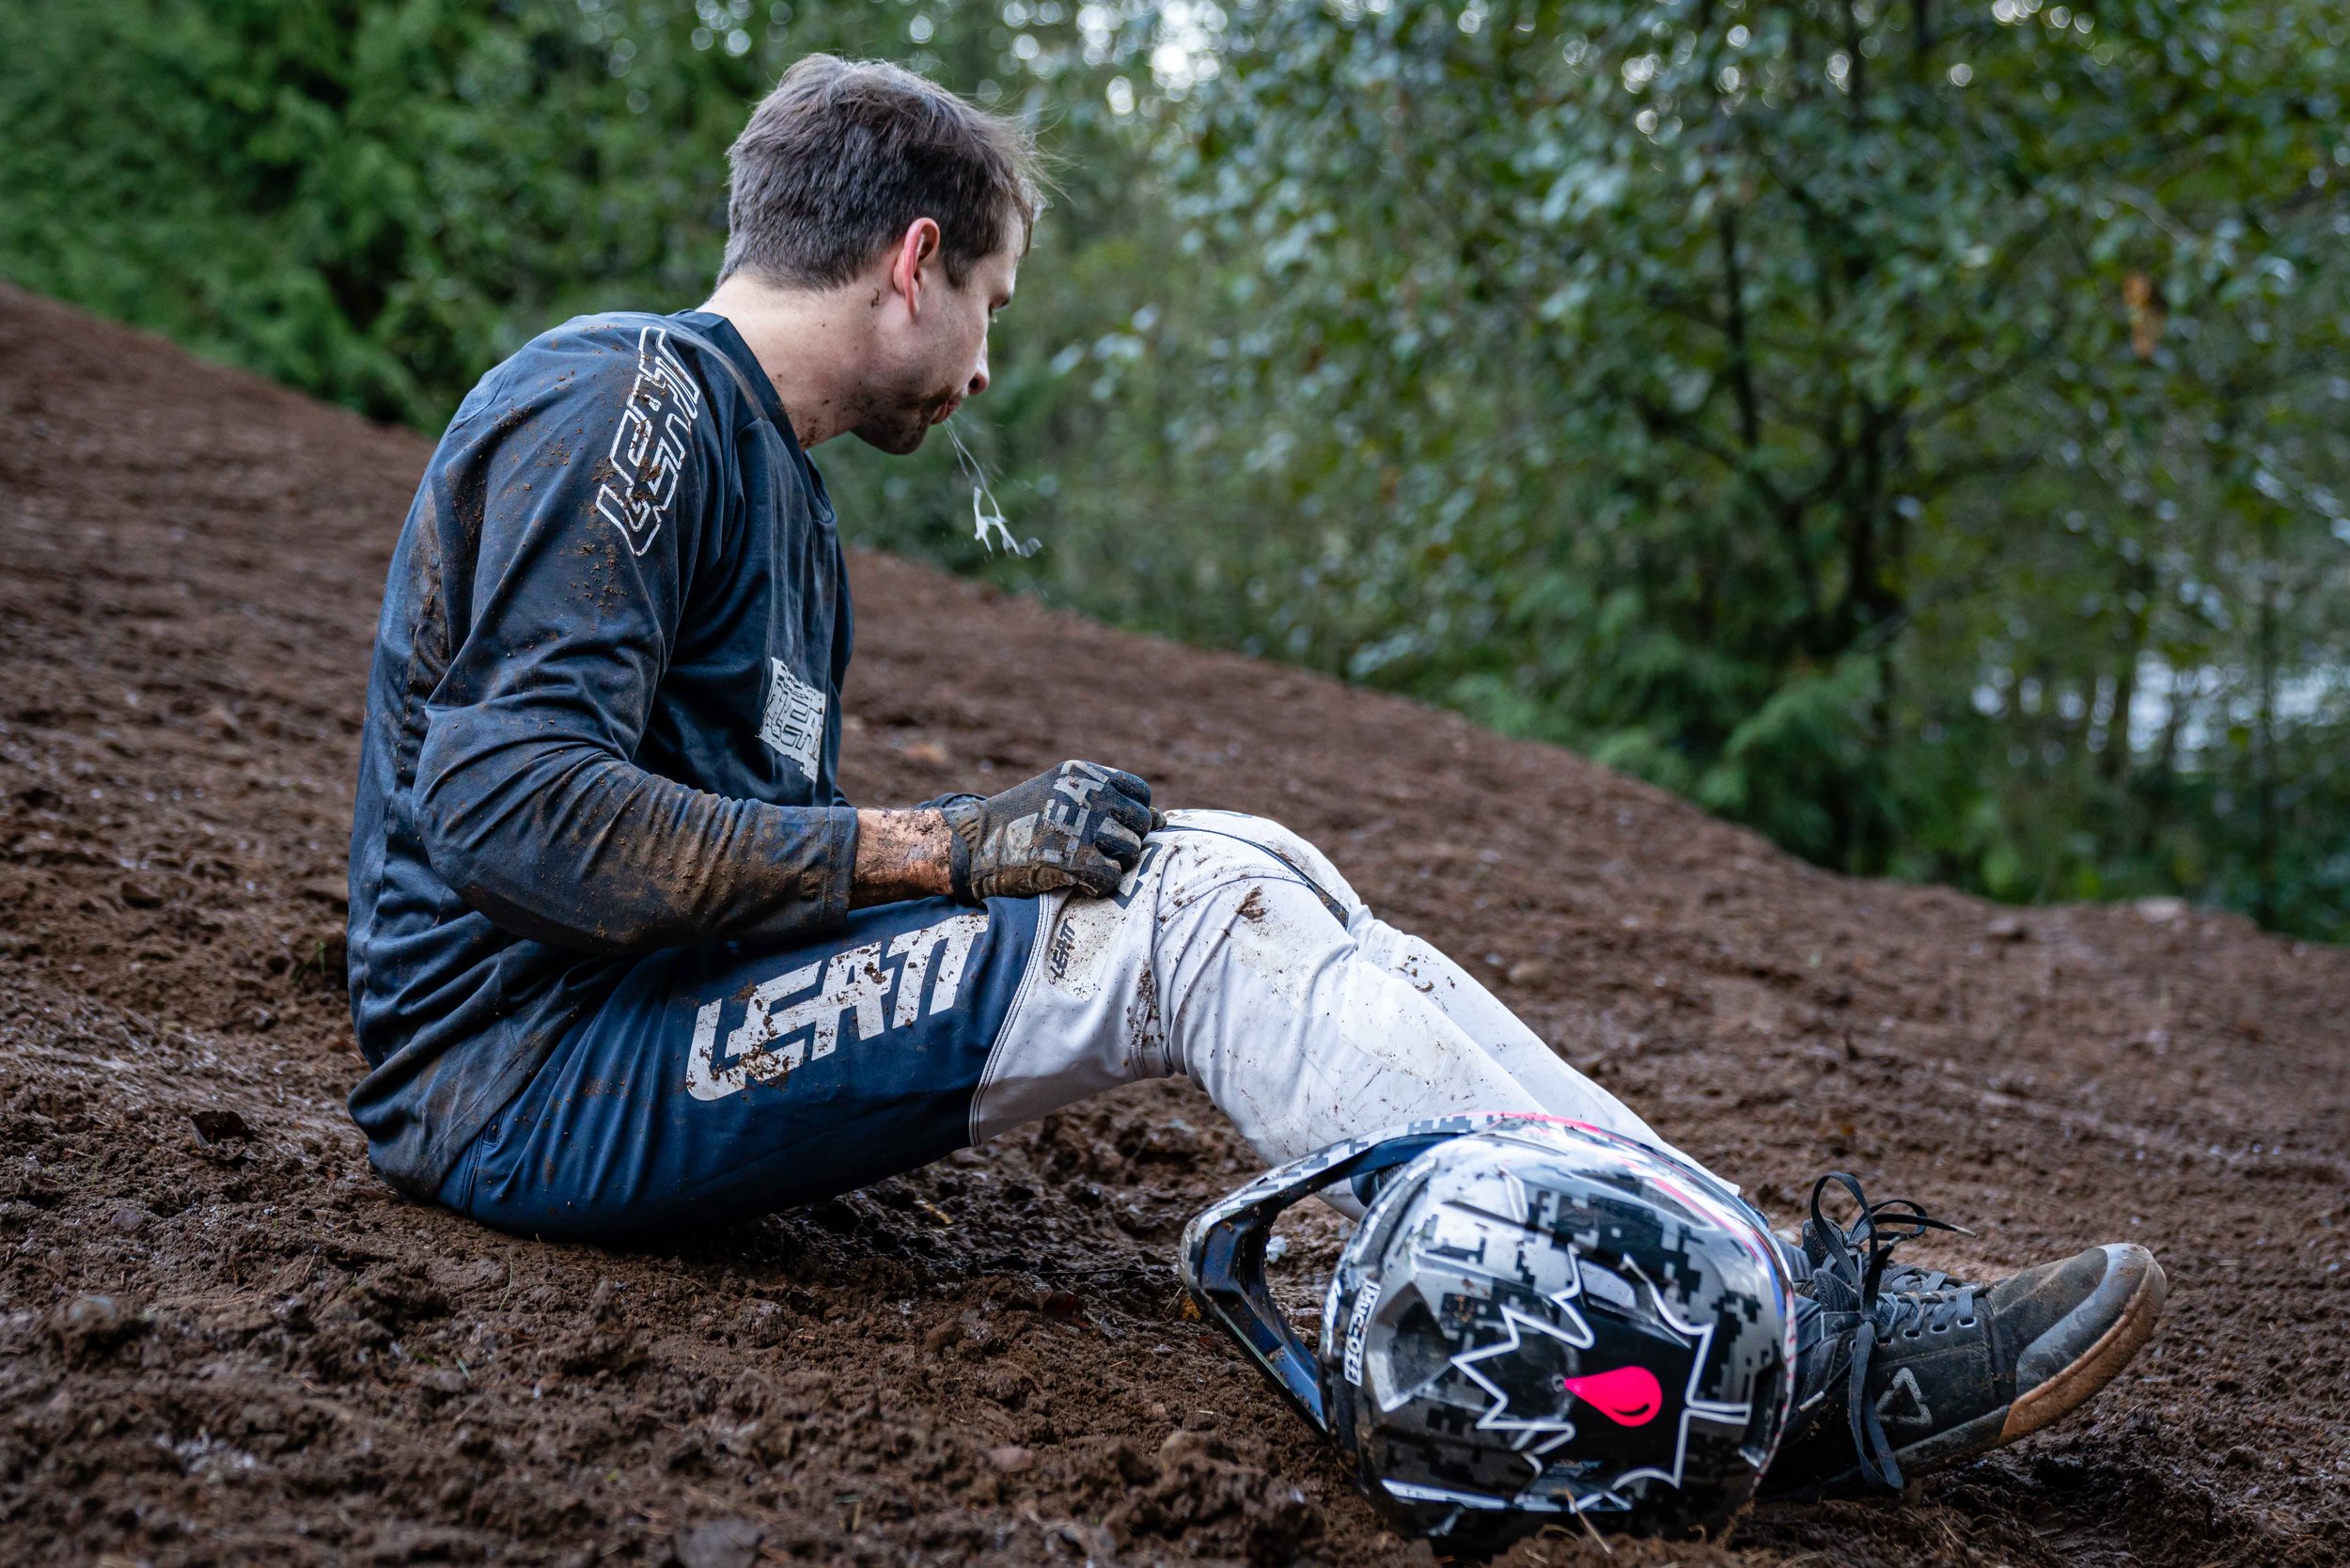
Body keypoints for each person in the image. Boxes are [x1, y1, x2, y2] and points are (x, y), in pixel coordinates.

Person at [344, 55, 2161, 1513]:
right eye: (987, 301)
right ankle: (1794, 1360)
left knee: (1236, 858)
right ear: (912, 262)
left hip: (629, 1034)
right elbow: (510, 819)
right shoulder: (631, 402)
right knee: (1193, 916)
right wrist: (947, 849)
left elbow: (722, 840)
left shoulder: (782, 502)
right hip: (526, 1083)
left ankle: (1750, 1273)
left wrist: (963, 861)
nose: (984, 362)